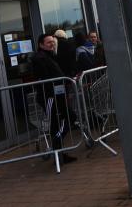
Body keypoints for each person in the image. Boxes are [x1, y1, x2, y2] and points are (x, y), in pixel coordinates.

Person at [32, 34, 76, 164]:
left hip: (58, 95)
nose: (52, 44)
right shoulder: (39, 58)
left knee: (70, 117)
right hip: (49, 97)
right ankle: (58, 151)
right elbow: (45, 78)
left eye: (53, 41)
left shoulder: (51, 56)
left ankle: (59, 150)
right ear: (41, 45)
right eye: (49, 42)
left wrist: (67, 79)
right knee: (55, 123)